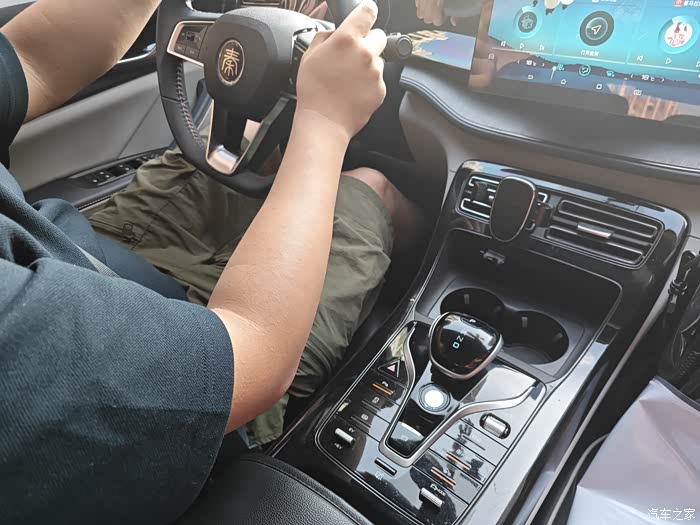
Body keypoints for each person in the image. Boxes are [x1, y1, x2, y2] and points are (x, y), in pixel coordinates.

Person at [0, 0, 421, 522]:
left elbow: (32, 56)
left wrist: (314, 104)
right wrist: (325, 121)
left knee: (242, 144)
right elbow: (253, 350)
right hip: (216, 375)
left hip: (86, 258)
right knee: (372, 187)